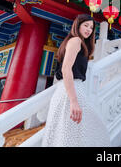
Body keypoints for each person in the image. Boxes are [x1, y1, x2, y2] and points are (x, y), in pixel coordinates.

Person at [41, 14, 110, 147]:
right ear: (77, 25)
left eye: (91, 27)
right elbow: (67, 69)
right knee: (83, 132)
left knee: (69, 134)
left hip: (68, 90)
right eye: (86, 25)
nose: (89, 30)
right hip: (71, 92)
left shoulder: (77, 42)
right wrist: (73, 101)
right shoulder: (76, 40)